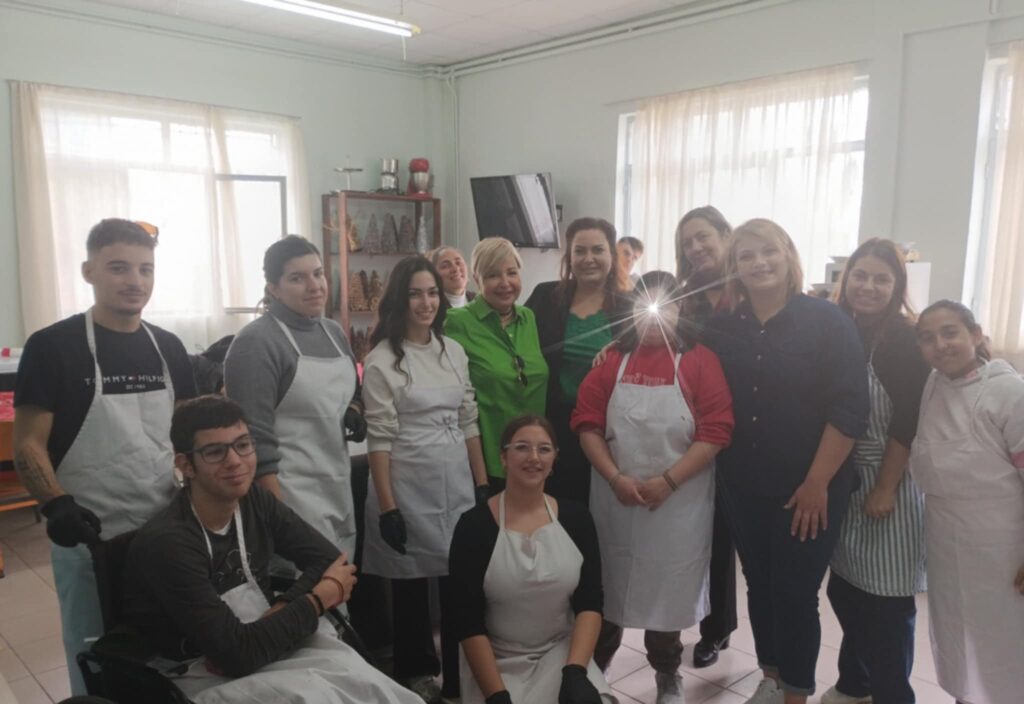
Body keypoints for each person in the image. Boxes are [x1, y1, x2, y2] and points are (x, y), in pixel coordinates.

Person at [121, 395, 421, 704]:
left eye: (242, 445)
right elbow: (237, 655)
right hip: (195, 671)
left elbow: (331, 561)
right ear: (186, 465)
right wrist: (318, 599)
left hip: (267, 641)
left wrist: (281, 609)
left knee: (371, 686)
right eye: (215, 452)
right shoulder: (169, 544)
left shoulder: (254, 501)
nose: (234, 461)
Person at [12, 218, 197, 695]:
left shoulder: (168, 347)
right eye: (119, 267)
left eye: (145, 269)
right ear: (88, 271)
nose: (135, 281)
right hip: (87, 533)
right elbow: (28, 442)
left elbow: (185, 433)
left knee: (167, 645)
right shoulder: (52, 346)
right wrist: (57, 505)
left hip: (162, 527)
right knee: (95, 648)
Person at [703, 219, 869, 704]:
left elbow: (850, 408)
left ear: (788, 255)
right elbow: (685, 366)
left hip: (810, 486)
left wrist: (817, 483)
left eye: (768, 251)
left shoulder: (827, 321)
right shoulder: (723, 326)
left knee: (795, 592)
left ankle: (796, 692)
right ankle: (772, 677)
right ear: (734, 267)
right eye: (746, 255)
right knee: (759, 584)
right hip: (743, 482)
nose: (759, 262)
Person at [573, 271, 734, 704]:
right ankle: (596, 673)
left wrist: (668, 481)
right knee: (608, 590)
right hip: (615, 500)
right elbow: (587, 424)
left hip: (678, 505)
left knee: (667, 595)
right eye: (643, 307)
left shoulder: (700, 361)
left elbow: (716, 431)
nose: (654, 318)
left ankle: (667, 674)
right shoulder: (612, 361)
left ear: (682, 310)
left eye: (667, 306)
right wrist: (614, 477)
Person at [361, 256, 489, 702]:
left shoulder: (452, 350)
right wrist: (388, 507)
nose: (426, 302)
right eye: (415, 294)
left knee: (460, 582)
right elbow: (379, 437)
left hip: (455, 479)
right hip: (406, 481)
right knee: (411, 586)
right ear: (400, 299)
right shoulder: (383, 360)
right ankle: (415, 671)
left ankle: (458, 671)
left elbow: (469, 420)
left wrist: (481, 484)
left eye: (433, 293)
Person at [822, 239, 930, 704]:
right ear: (845, 279)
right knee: (847, 589)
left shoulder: (903, 339)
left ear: (897, 286)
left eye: (881, 279)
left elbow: (908, 419)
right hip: (845, 478)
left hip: (891, 479)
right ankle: (855, 684)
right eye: (860, 276)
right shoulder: (839, 327)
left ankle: (892, 696)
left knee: (886, 605)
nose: (868, 286)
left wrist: (885, 487)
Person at [448, 415, 617, 704]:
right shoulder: (474, 527)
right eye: (522, 447)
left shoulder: (577, 519)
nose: (534, 458)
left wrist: (576, 672)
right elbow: (466, 621)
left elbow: (590, 603)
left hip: (562, 653)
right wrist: (496, 695)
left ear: (554, 460)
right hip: (496, 662)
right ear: (503, 457)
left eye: (544, 449)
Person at [224, 236, 365, 564]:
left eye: (318, 273)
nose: (314, 286)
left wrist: (354, 408)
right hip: (290, 496)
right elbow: (253, 441)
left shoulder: (333, 332)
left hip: (336, 486)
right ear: (273, 288)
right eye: (297, 278)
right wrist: (282, 526)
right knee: (307, 587)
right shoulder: (256, 343)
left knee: (340, 584)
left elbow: (353, 389)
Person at [909, 301, 1024, 704]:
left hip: (1002, 548)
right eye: (928, 338)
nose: (940, 345)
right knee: (958, 639)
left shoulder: (1009, 391)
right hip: (947, 540)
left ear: (975, 335)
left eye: (950, 333)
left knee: (1004, 645)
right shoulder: (933, 384)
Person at [525, 217, 631, 505]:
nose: (588, 259)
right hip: (553, 425)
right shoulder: (545, 297)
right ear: (569, 257)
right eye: (579, 251)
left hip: (608, 429)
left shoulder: (630, 305)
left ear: (612, 254)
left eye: (598, 250)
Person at [444, 238, 548, 492]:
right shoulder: (455, 322)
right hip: (487, 460)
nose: (505, 283)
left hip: (535, 459)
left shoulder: (529, 318)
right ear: (476, 280)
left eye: (511, 272)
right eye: (492, 275)